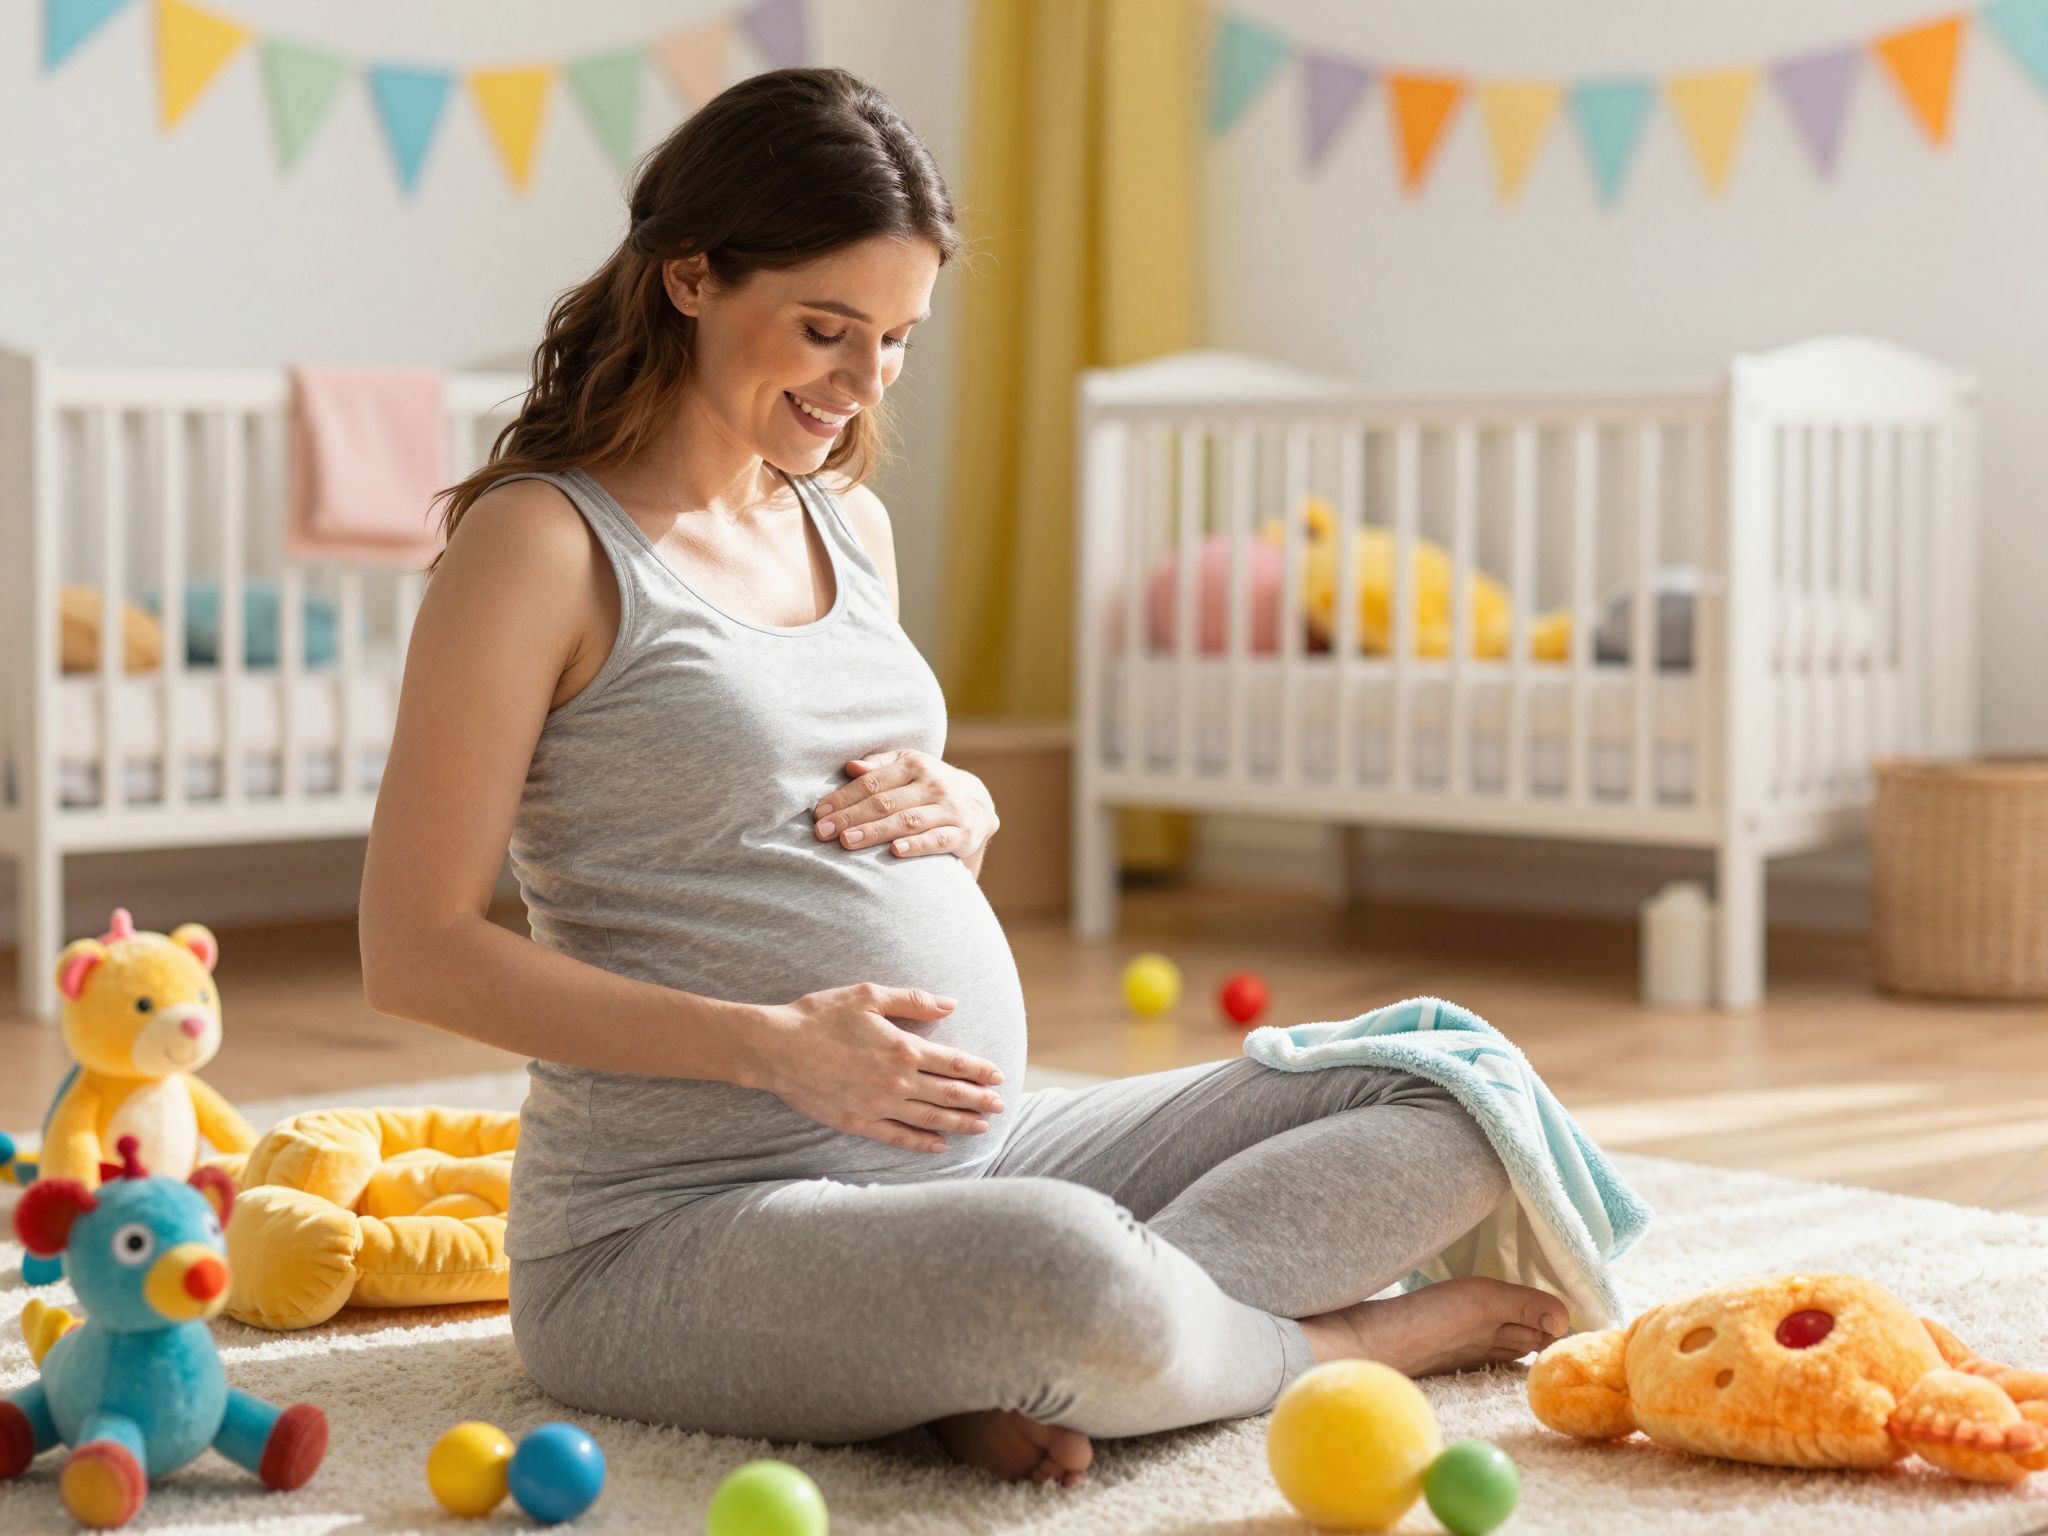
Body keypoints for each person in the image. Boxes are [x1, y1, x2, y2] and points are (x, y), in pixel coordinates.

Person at [358, 66, 1565, 1489]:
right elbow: (412, 952)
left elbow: (820, 786)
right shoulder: (543, 547)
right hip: (680, 1225)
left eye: (898, 339)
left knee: (1447, 1090)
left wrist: (968, 806)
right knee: (1060, 1269)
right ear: (690, 276)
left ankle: (990, 1349)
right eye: (825, 329)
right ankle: (1331, 1345)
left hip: (982, 1146)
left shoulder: (846, 523)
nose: (863, 383)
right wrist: (774, 1045)